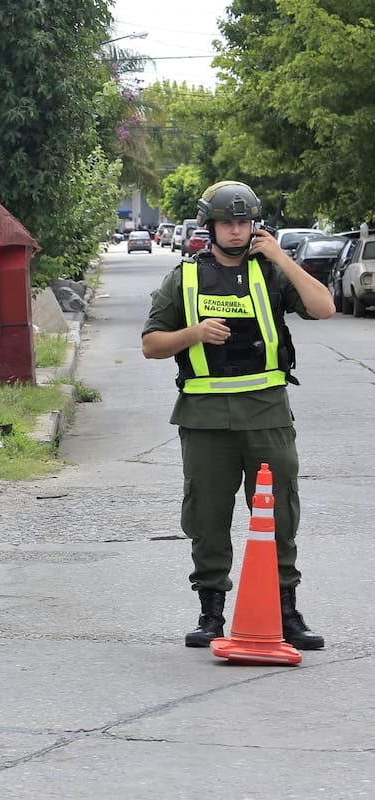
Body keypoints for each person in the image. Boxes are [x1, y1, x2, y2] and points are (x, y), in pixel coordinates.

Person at [141, 180, 332, 650]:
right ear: (210, 227)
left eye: (243, 222)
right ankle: (211, 613)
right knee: (207, 517)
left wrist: (281, 257)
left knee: (279, 514)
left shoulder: (271, 273)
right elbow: (151, 345)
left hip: (267, 414)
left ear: (254, 226)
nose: (235, 230)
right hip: (205, 419)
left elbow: (324, 307)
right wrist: (194, 333)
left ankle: (286, 612)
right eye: (227, 222)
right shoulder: (184, 279)